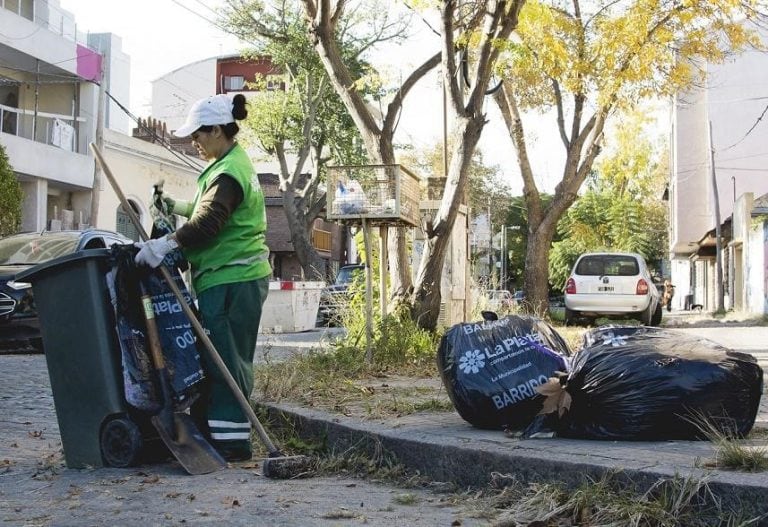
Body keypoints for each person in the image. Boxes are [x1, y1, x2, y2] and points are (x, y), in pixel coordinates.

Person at [134, 93, 271, 462]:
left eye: (198, 135)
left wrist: (165, 244)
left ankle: (231, 444)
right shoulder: (227, 165)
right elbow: (204, 209)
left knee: (224, 360)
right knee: (224, 358)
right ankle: (221, 436)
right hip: (230, 278)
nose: (194, 142)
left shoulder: (228, 172)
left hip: (232, 279)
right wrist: (174, 207)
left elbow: (210, 222)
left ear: (217, 130)